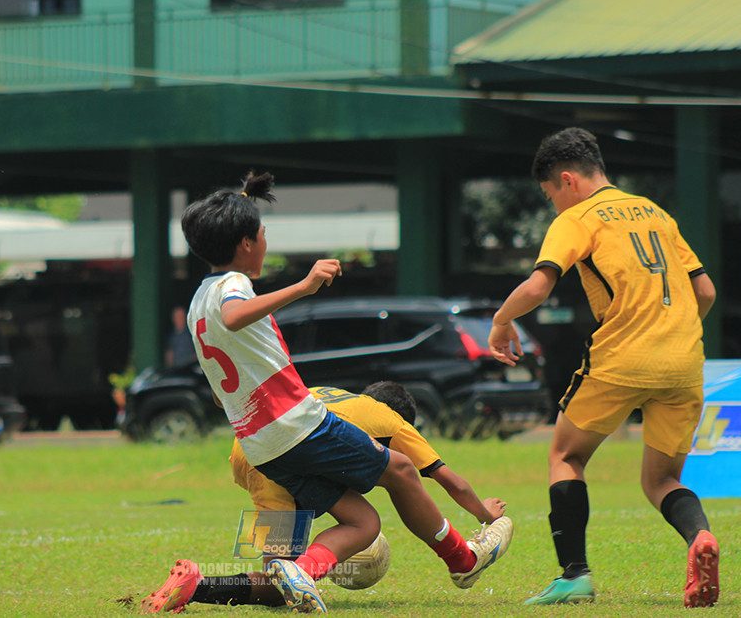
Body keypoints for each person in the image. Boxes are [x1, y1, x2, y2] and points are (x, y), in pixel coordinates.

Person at [171, 171, 512, 613]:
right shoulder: (233, 287)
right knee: (404, 472)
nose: (266, 241)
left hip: (256, 450)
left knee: (360, 523)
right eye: (263, 233)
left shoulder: (198, 303)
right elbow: (236, 315)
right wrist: (304, 286)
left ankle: (221, 584)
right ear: (246, 244)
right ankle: (464, 561)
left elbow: (221, 389)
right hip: (300, 430)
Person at [487, 127, 719, 608]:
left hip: (623, 357)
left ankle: (574, 576)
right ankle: (699, 537)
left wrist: (501, 320)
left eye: (551, 195)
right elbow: (705, 292)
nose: (555, 205)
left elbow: (537, 286)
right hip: (684, 361)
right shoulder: (657, 213)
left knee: (566, 457)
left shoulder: (578, 217)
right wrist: (669, 332)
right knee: (662, 481)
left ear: (567, 180)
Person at [140, 382, 508, 612]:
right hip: (296, 448)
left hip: (247, 452)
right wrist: (485, 513)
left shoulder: (339, 396)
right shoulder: (391, 420)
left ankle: (197, 587)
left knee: (276, 583)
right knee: (367, 519)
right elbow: (451, 481)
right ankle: (463, 559)